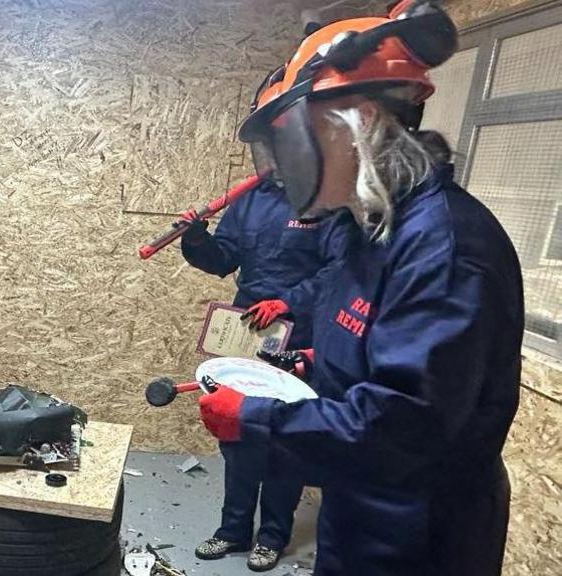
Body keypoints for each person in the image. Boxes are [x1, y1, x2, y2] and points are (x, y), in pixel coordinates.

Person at [196, 2, 524, 575]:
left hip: (419, 535)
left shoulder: (444, 246)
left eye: (294, 136)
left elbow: (404, 422)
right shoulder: (370, 229)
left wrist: (256, 419)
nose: (284, 161)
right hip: (361, 510)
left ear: (362, 120)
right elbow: (375, 354)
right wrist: (311, 364)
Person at [179, 82, 348, 572]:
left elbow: (338, 273)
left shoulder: (326, 203)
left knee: (282, 438)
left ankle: (271, 535)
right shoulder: (251, 201)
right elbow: (222, 258)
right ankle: (232, 530)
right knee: (236, 431)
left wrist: (288, 301)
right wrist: (197, 238)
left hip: (298, 336)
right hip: (247, 330)